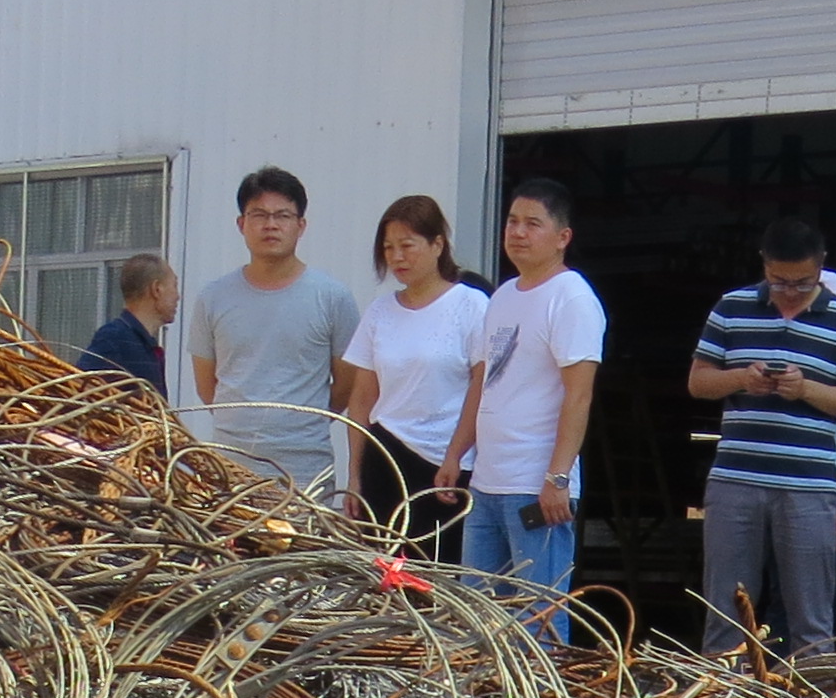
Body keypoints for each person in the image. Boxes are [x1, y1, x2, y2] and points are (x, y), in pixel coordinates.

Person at [688, 216, 836, 657]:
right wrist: (741, 378)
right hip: (735, 478)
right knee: (725, 612)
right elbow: (698, 381)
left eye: (802, 282)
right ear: (764, 264)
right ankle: (723, 695)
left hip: (809, 486)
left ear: (821, 265)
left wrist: (805, 388)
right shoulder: (731, 306)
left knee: (812, 619)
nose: (789, 291)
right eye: (779, 281)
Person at [442, 175, 603, 640]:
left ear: (562, 236)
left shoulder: (572, 298)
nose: (517, 232)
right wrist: (456, 454)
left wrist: (557, 478)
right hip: (488, 482)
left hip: (535, 488)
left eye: (533, 223)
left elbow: (579, 394)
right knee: (475, 615)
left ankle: (544, 691)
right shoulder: (504, 296)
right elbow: (484, 384)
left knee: (538, 617)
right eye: (512, 221)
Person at [185, 167, 359, 492]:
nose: (271, 225)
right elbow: (208, 389)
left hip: (305, 471)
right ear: (241, 224)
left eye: (283, 215)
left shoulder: (332, 297)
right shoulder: (213, 297)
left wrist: (299, 425)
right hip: (231, 468)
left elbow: (346, 386)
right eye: (259, 215)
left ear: (301, 225)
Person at [340, 195, 483, 556]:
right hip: (385, 455)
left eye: (407, 245)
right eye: (389, 248)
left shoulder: (471, 305)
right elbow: (362, 398)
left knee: (442, 568)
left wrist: (455, 454)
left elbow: (481, 388)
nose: (397, 257)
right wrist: (354, 474)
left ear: (438, 245)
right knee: (385, 570)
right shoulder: (379, 311)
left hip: (446, 465)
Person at [82, 255, 177, 393]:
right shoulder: (113, 338)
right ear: (156, 289)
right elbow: (79, 389)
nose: (178, 296)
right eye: (174, 286)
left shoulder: (146, 346)